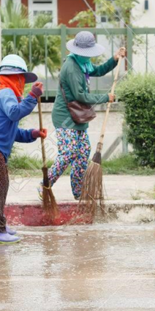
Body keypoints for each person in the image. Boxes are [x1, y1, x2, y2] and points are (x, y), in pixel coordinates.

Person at [41, 31, 125, 200]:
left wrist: (115, 59)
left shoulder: (83, 63)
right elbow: (80, 96)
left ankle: (78, 192)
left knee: (83, 151)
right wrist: (104, 97)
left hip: (79, 115)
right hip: (65, 116)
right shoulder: (71, 67)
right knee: (69, 152)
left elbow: (99, 70)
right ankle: (44, 184)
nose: (88, 56)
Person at [0, 54, 47, 244]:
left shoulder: (8, 95)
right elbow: (15, 114)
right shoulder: (5, 92)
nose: (22, 83)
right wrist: (32, 97)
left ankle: (0, 226)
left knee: (0, 185)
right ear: (14, 78)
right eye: (21, 79)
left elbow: (13, 132)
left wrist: (33, 134)